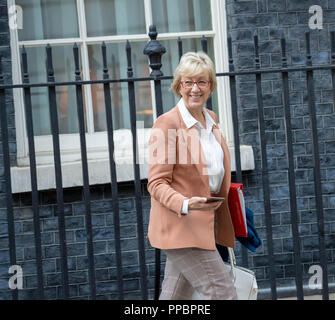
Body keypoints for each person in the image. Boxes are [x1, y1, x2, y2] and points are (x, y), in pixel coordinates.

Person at [147, 51, 237, 300]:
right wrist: (185, 203)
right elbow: (156, 183)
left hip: (206, 223)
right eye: (188, 82)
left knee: (176, 297)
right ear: (179, 86)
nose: (195, 88)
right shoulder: (166, 124)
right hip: (181, 225)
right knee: (223, 292)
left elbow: (212, 169)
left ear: (210, 86)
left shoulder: (212, 119)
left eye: (202, 81)